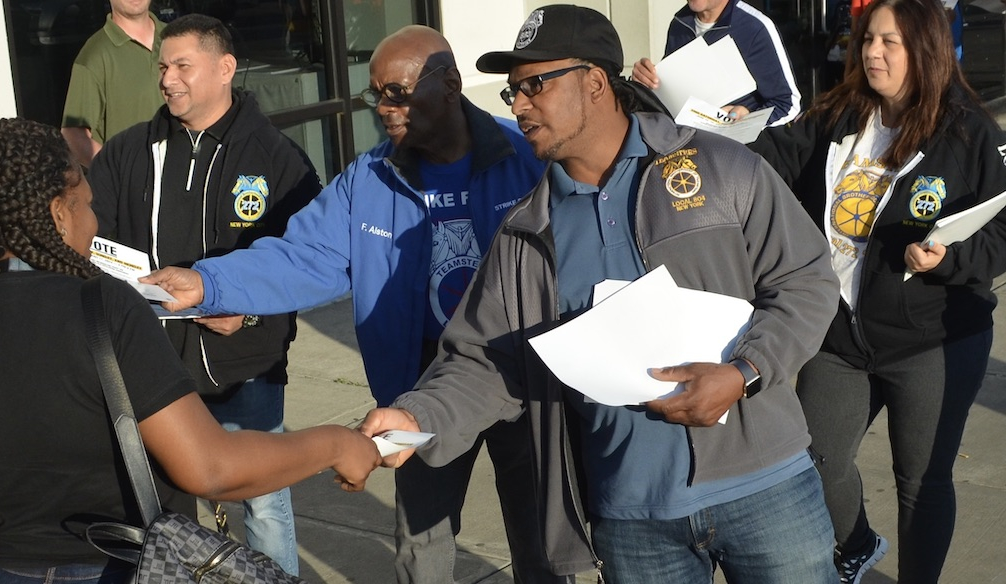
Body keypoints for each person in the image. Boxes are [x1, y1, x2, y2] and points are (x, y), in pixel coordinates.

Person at [353, 6, 843, 583]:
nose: (517, 104)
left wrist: (744, 372)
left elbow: (807, 281)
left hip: (769, 489)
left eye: (536, 84)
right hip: (632, 520)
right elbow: (483, 363)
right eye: (513, 90)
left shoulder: (719, 167)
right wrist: (415, 414)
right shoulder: (524, 233)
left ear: (595, 82)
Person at [141, 24, 564, 584]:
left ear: (451, 85)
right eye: (375, 94)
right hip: (421, 388)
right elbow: (303, 257)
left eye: (399, 93)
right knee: (422, 548)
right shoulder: (370, 178)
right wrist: (208, 283)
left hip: (521, 382)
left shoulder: (528, 159)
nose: (384, 109)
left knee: (543, 544)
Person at [0, 117, 379, 584]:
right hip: (129, 567)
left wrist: (26, 526)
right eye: (86, 204)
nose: (95, 220)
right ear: (59, 212)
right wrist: (338, 444)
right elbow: (211, 469)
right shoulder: (102, 307)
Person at [749, 0, 1006, 581]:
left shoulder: (968, 132)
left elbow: (1003, 229)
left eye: (889, 42)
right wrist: (700, 132)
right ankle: (857, 543)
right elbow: (766, 164)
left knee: (920, 481)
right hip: (838, 337)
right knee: (815, 460)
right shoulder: (838, 115)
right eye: (868, 39)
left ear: (926, 50)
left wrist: (953, 258)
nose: (871, 52)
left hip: (932, 342)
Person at [87, 14, 321, 575]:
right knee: (167, 512)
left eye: (182, 66)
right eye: (163, 66)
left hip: (246, 368)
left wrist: (251, 320)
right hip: (151, 371)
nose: (168, 79)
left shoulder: (278, 161)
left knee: (263, 504)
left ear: (225, 69)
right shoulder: (127, 154)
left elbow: (310, 263)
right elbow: (92, 245)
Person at [631, 0, 801, 125]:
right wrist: (645, 83)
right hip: (690, 154)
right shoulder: (679, 24)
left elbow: (788, 104)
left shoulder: (754, 28)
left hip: (739, 158)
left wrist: (748, 119)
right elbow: (670, 97)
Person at [62, 0, 166, 169]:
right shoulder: (94, 56)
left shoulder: (179, 39)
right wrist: (118, 174)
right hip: (134, 190)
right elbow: (73, 135)